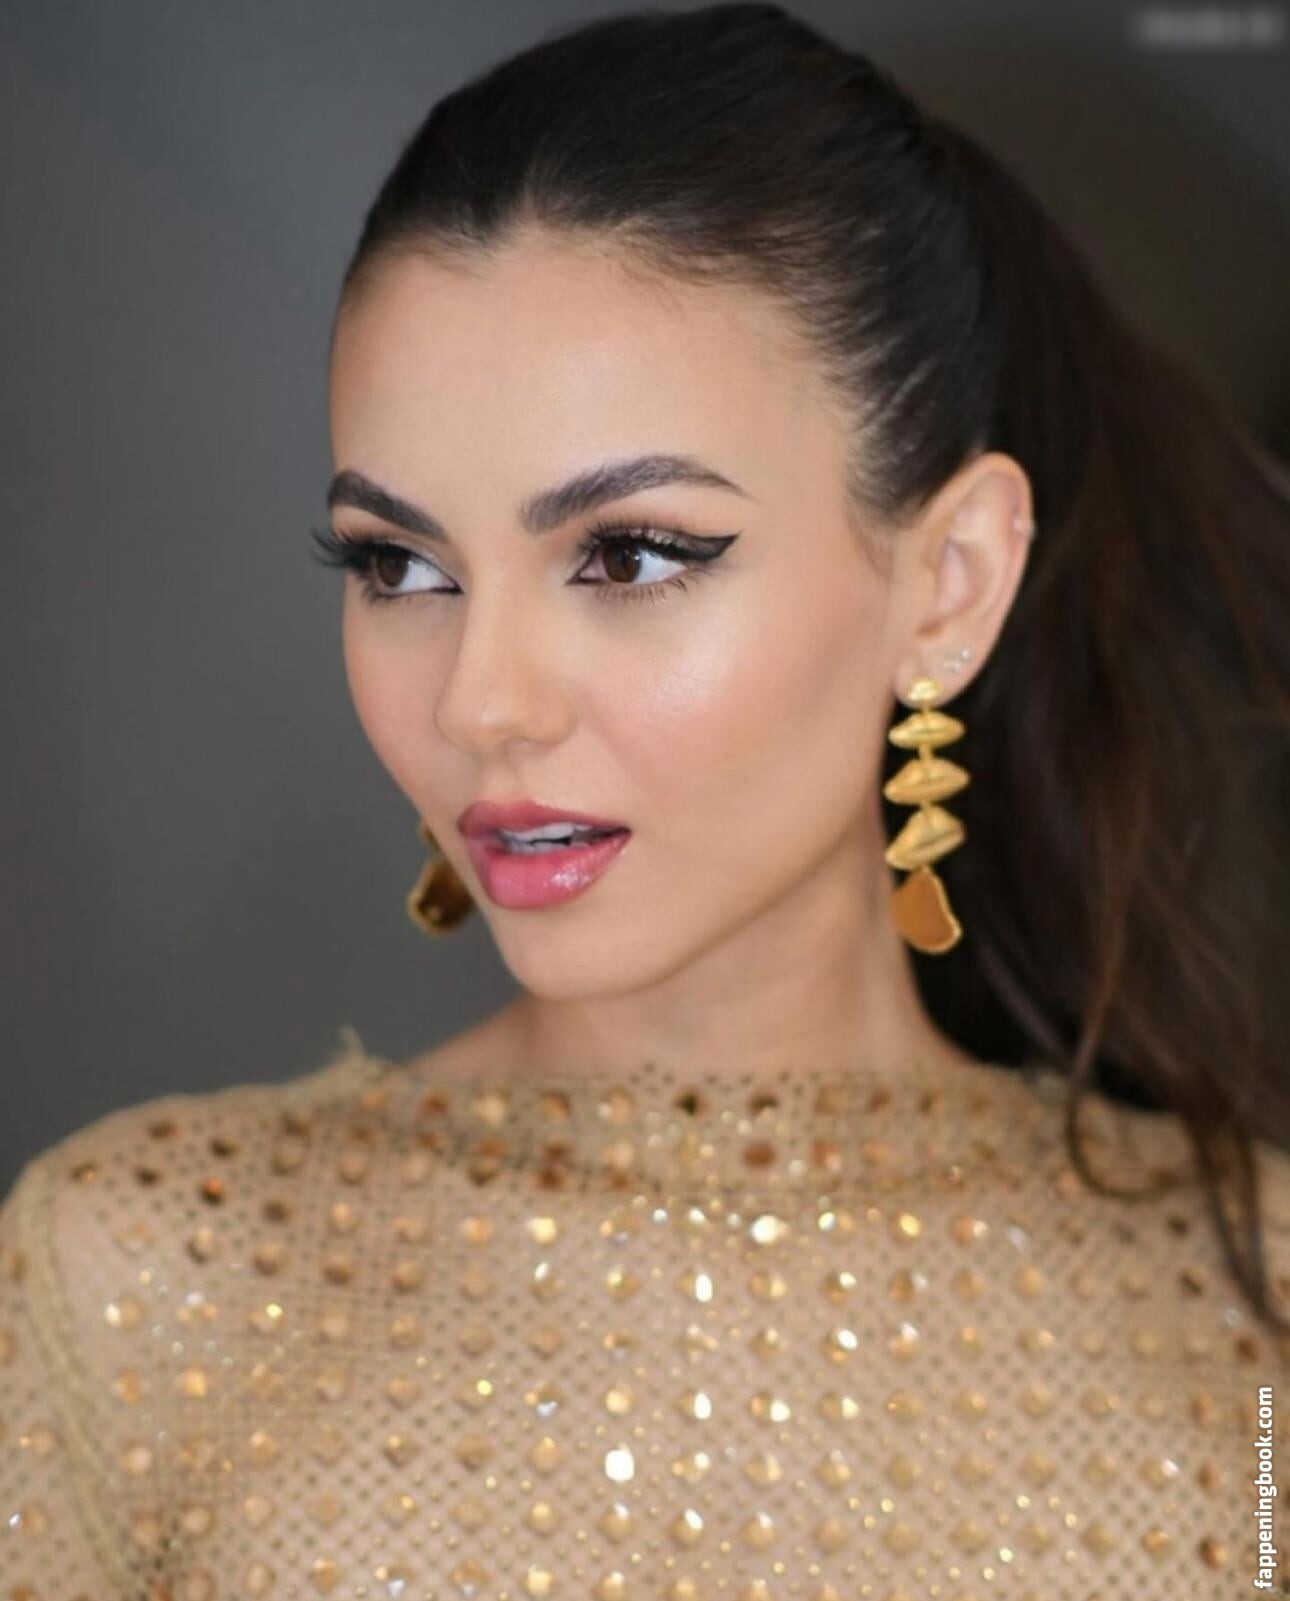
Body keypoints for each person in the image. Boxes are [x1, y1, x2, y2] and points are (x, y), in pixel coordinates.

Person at [3, 4, 1289, 1596]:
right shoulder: (145, 1289)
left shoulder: (1247, 1320)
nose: (480, 700)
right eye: (399, 565)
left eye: (627, 554)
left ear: (950, 581)